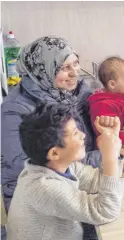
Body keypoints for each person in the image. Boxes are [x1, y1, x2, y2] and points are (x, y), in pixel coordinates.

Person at [1, 36, 101, 213]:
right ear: (42, 70)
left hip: (79, 180)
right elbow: (29, 165)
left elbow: (93, 130)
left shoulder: (77, 91)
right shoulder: (15, 109)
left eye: (75, 63)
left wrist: (123, 130)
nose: (75, 73)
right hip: (35, 201)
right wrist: (102, 158)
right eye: (64, 68)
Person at [6, 104, 124, 240]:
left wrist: (111, 140)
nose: (83, 135)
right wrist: (109, 156)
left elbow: (98, 182)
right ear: (55, 153)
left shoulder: (63, 166)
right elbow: (106, 211)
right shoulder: (44, 187)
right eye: (75, 133)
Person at [88, 56, 124, 170]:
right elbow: (109, 133)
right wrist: (123, 146)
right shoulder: (103, 105)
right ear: (112, 84)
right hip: (119, 146)